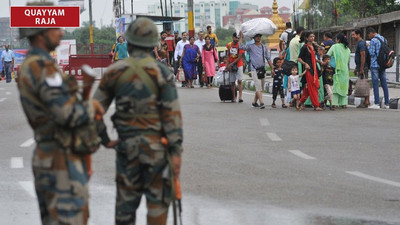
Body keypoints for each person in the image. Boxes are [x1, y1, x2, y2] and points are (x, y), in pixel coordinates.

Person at [16, 2, 105, 224]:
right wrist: (91, 107)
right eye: (56, 26)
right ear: (40, 32)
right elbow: (66, 114)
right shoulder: (40, 67)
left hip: (56, 157)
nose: (62, 32)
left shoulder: (39, 64)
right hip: (60, 162)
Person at [93, 17, 183, 225]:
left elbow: (95, 111)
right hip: (157, 153)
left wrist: (105, 139)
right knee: (158, 211)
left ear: (129, 42)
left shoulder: (115, 72)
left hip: (127, 151)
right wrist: (176, 154)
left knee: (125, 213)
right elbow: (172, 117)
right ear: (153, 44)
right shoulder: (162, 72)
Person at [241, 33, 275, 109]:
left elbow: (268, 58)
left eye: (259, 36)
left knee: (260, 87)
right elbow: (241, 47)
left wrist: (272, 68)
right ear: (254, 38)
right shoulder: (250, 47)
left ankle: (254, 102)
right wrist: (241, 38)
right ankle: (261, 102)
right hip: (254, 69)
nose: (258, 38)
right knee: (258, 86)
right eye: (257, 36)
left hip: (262, 69)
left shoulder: (264, 47)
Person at [297, 31, 323, 111]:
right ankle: (316, 105)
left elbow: (316, 55)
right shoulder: (305, 47)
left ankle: (301, 102)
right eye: (311, 36)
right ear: (307, 38)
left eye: (313, 36)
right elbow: (299, 58)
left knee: (308, 89)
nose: (312, 38)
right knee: (313, 87)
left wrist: (319, 61)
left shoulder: (314, 47)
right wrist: (305, 64)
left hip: (314, 69)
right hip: (308, 69)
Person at [367, 27, 390, 109]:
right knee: (384, 84)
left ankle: (376, 103)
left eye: (368, 34)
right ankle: (387, 103)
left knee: (375, 84)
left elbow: (372, 53)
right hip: (383, 64)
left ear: (371, 33)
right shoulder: (384, 39)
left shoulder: (373, 41)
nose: (369, 36)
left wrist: (368, 46)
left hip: (375, 65)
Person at [327, 33, 351, 109]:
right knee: (343, 86)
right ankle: (344, 104)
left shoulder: (334, 47)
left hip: (336, 69)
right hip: (345, 70)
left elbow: (328, 55)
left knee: (336, 86)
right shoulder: (347, 49)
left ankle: (334, 103)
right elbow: (348, 60)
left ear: (338, 40)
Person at [351, 29, 371, 108]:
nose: (352, 36)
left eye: (353, 35)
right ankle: (366, 101)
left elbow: (363, 56)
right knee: (363, 83)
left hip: (364, 67)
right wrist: (357, 68)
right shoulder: (359, 43)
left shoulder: (361, 43)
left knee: (365, 83)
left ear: (358, 35)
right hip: (360, 66)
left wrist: (362, 68)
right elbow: (359, 57)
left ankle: (366, 101)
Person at [226, 32, 245, 102]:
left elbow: (240, 56)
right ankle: (234, 97)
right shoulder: (229, 45)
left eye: (238, 38)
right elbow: (228, 55)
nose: (236, 39)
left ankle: (240, 97)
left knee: (239, 81)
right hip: (231, 64)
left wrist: (232, 63)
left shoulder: (240, 45)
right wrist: (227, 65)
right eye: (235, 38)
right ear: (233, 37)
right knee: (232, 82)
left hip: (239, 64)